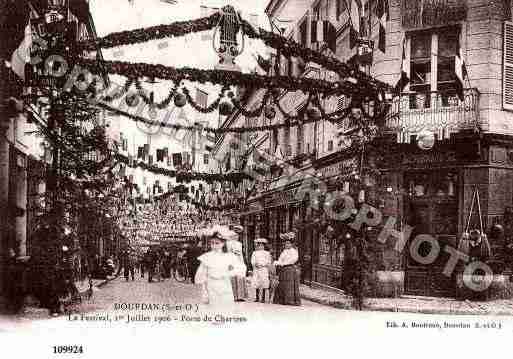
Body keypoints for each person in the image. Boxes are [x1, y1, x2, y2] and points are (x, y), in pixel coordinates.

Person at [194, 228, 246, 306]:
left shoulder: (229, 257)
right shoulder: (207, 257)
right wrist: (205, 292)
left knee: (225, 308)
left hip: (225, 286)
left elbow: (240, 268)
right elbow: (201, 275)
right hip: (211, 286)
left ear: (223, 244)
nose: (214, 246)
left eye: (217, 243)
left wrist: (231, 271)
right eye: (212, 243)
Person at [273, 232, 301, 306]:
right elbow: (280, 259)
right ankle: (282, 299)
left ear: (291, 244)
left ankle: (290, 300)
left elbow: (293, 260)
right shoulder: (284, 251)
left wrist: (283, 263)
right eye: (286, 244)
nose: (287, 245)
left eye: (288, 243)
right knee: (282, 284)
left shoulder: (294, 251)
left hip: (290, 269)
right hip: (283, 269)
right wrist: (277, 262)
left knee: (289, 285)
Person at [226, 225, 248, 301]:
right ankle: (233, 296)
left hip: (239, 262)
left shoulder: (240, 244)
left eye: (237, 235)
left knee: (240, 278)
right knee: (232, 278)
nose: (236, 236)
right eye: (235, 235)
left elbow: (242, 254)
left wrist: (243, 263)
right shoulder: (228, 244)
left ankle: (240, 296)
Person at [250, 238, 272, 303]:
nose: (260, 247)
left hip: (264, 269)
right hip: (257, 269)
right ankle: (257, 297)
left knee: (264, 282)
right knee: (256, 282)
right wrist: (255, 264)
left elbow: (268, 261)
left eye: (262, 246)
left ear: (264, 246)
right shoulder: (255, 253)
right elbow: (252, 260)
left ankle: (263, 298)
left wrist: (263, 265)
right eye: (259, 245)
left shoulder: (267, 253)